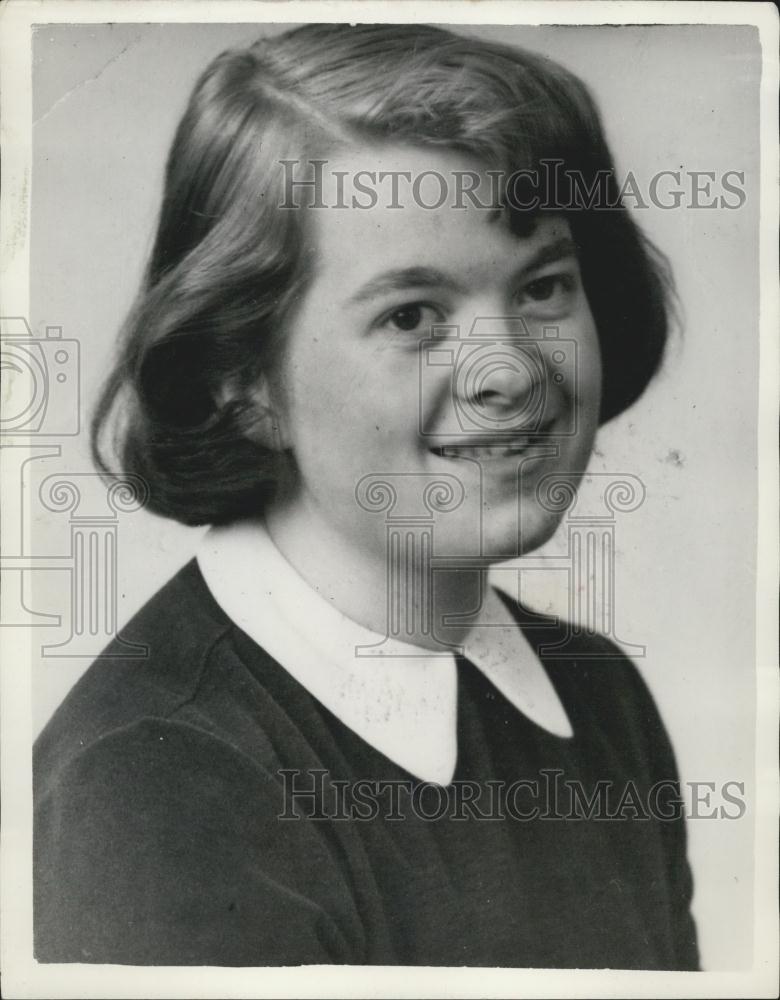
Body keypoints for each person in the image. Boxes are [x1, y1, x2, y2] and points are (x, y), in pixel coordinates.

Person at [33, 23, 700, 968]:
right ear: (242, 378)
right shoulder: (161, 779)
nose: (506, 369)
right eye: (412, 316)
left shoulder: (598, 698)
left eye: (544, 286)